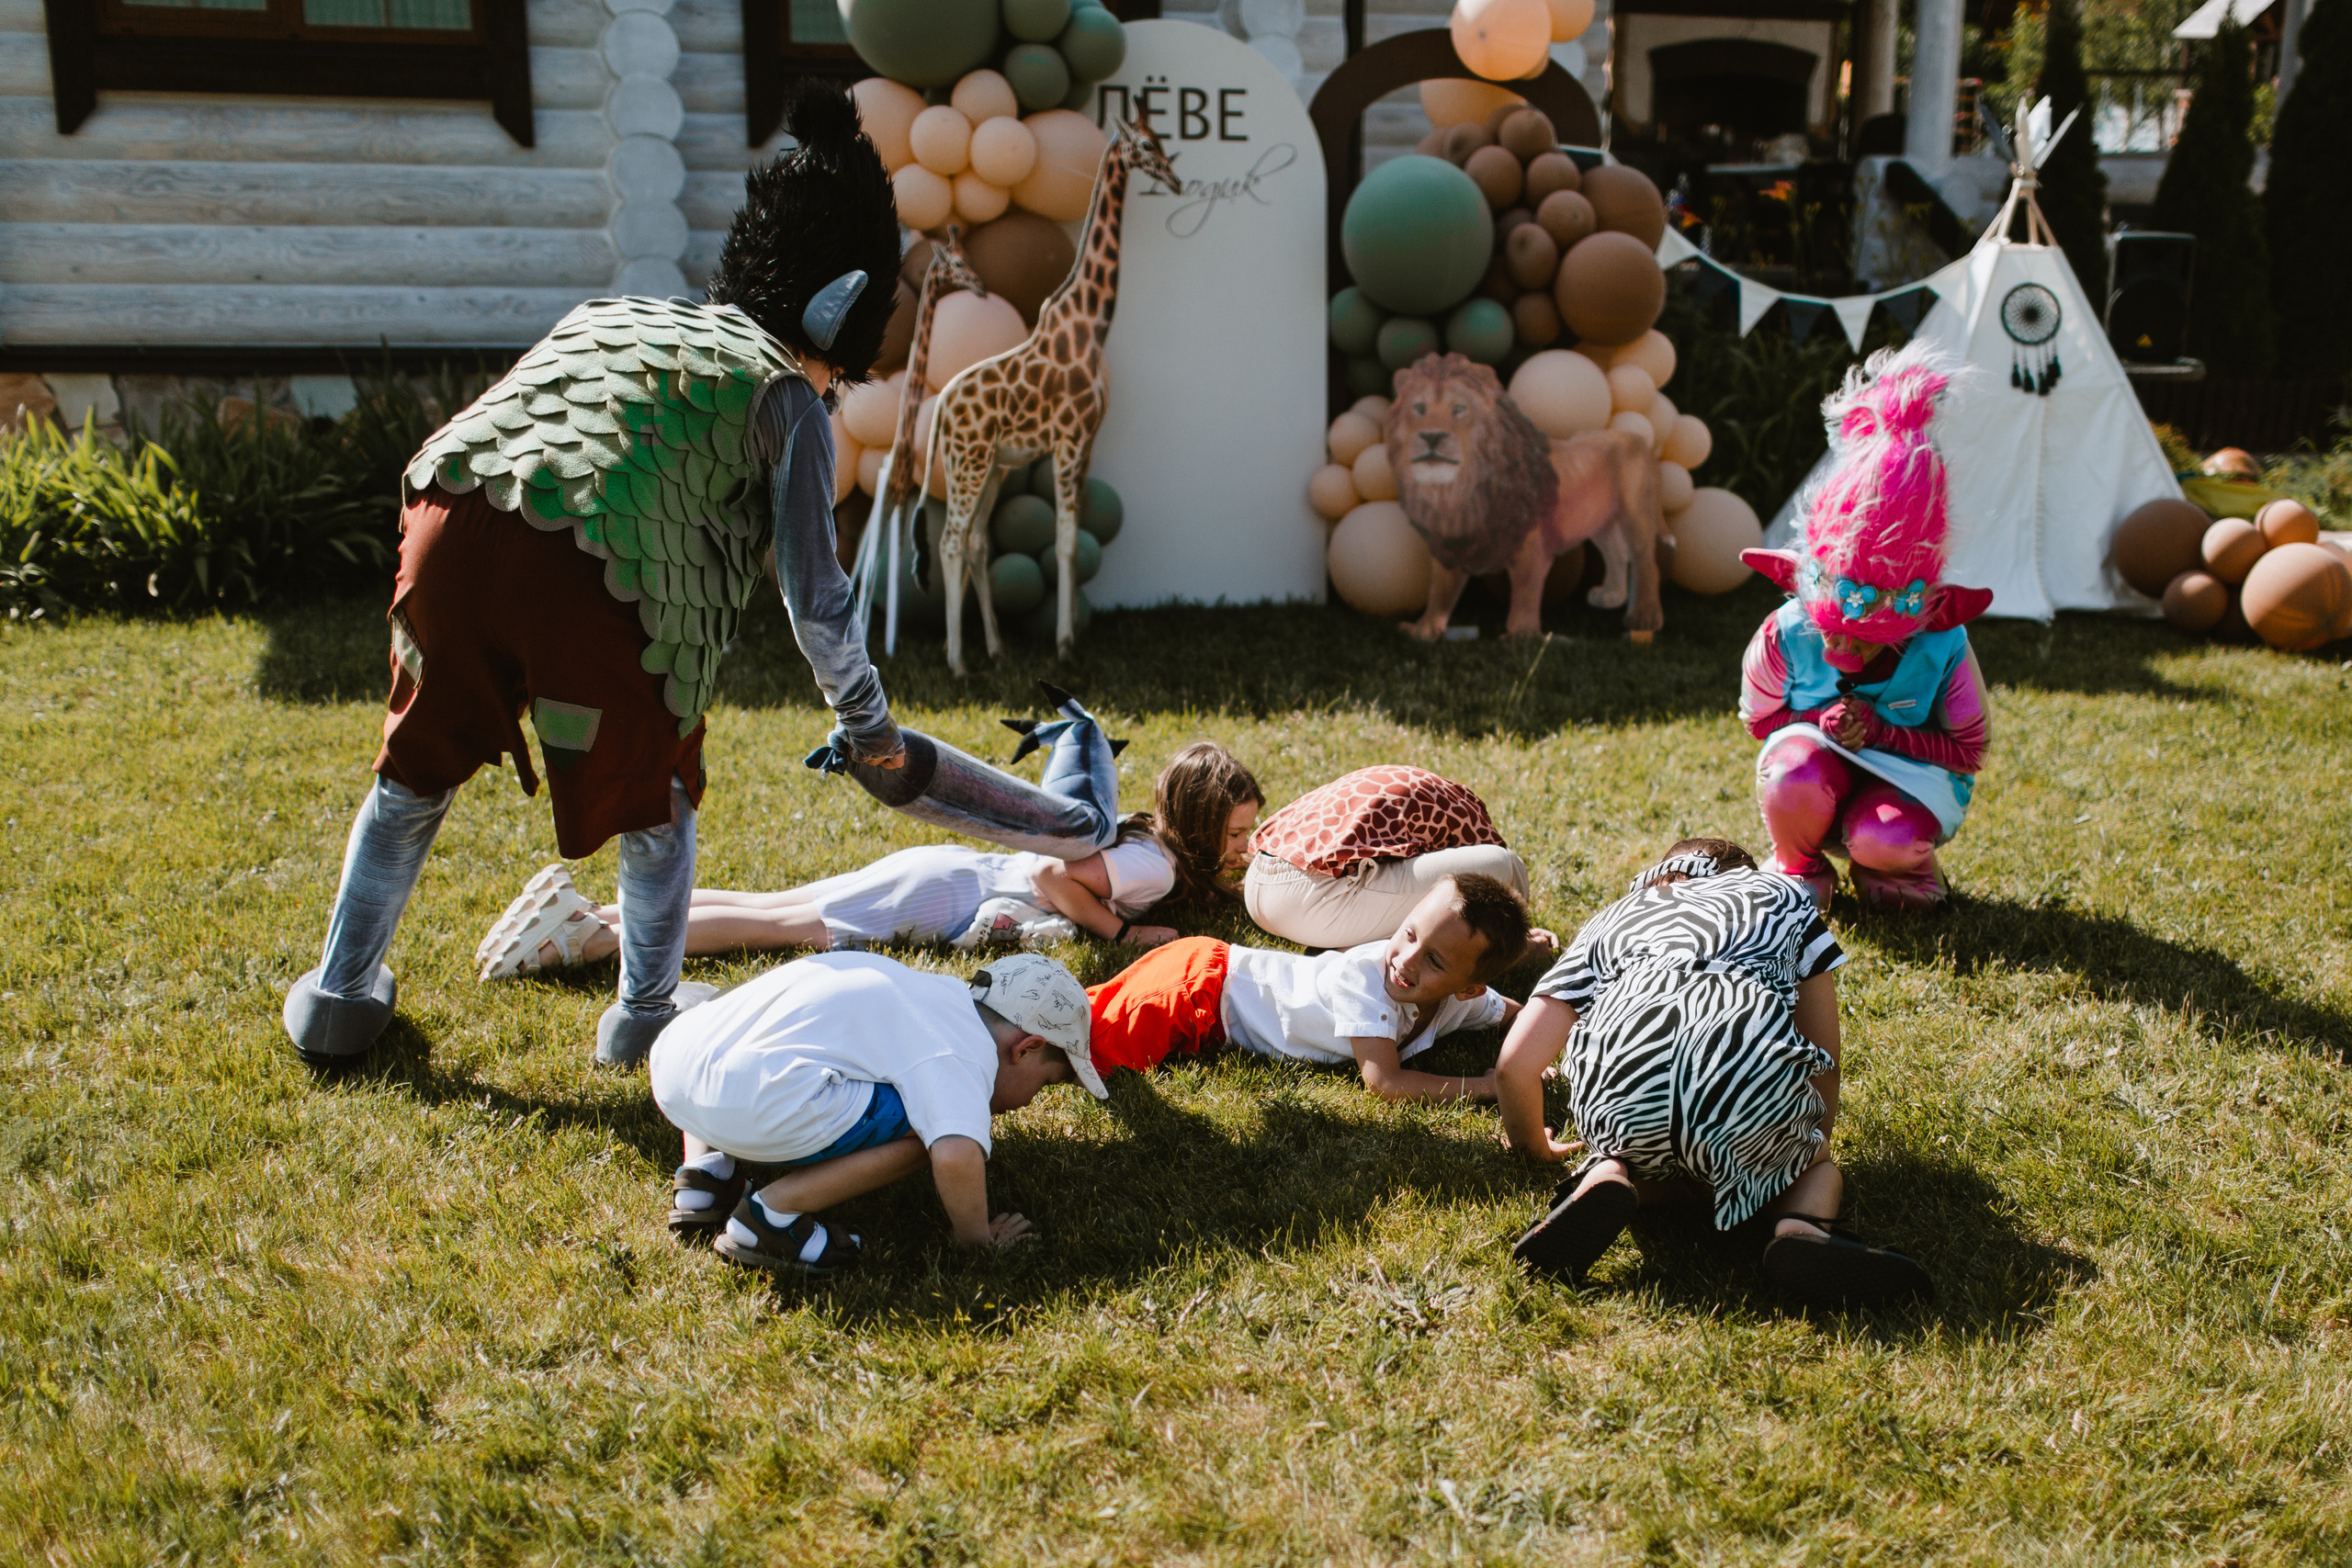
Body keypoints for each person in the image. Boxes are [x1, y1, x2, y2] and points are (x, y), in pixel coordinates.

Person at [280, 83, 908, 1069]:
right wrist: (869, 725)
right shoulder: (788, 397)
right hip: (593, 576)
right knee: (656, 794)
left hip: (446, 517)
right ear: (841, 314)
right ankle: (648, 1014)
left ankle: (338, 995)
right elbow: (814, 594)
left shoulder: (614, 314)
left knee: (414, 774)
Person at [1493, 838, 1931, 1309]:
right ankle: (1801, 1226)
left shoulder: (1614, 917)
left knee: (1633, 1142)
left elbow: (1514, 1066)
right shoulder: (1785, 899)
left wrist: (1532, 1147)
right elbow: (1822, 1052)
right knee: (1814, 1165)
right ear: (1745, 876)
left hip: (1627, 1101)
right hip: (1744, 1095)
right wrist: (1809, 1142)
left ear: (1660, 878)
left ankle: (1609, 1173)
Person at [475, 731, 1261, 971]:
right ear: (1193, 826)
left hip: (944, 878)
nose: (1240, 847)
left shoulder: (1154, 847)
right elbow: (1057, 874)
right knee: (775, 928)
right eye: (1232, 834)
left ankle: (597, 912)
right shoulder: (1153, 865)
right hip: (944, 895)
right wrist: (1123, 933)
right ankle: (596, 938)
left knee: (769, 908)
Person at [1737, 342, 1994, 910]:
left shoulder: (1941, 643)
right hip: (1814, 768)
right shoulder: (1786, 631)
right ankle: (1800, 867)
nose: (1838, 645)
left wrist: (1883, 734)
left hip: (1913, 779)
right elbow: (1759, 720)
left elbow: (1969, 750)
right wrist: (1815, 720)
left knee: (1884, 837)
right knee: (1791, 776)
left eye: (1864, 636)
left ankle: (1900, 870)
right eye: (1829, 627)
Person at [651, 951, 1101, 1273]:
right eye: (1045, 1085)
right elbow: (955, 1155)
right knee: (935, 1128)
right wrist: (976, 1240)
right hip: (755, 1107)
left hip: (676, 1066)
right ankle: (771, 1217)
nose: (1032, 1101)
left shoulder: (922, 988)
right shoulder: (967, 1051)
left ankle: (704, 1177)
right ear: (1028, 1048)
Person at [1080, 874, 1532, 1104]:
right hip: (1204, 985)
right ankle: (1015, 1030)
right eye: (1409, 934)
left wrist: (1553, 1046)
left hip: (1210, 1008)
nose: (1406, 960)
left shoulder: (1461, 1002)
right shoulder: (1367, 978)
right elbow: (1385, 1082)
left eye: (1434, 960)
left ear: (1468, 988)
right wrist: (1485, 1086)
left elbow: (1512, 1013)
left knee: (1089, 1024)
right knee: (1086, 1042)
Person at [1242, 764, 1550, 953]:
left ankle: (1351, 948)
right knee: (1504, 863)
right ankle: (1514, 945)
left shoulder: (1420, 788)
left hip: (1260, 881)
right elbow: (1490, 875)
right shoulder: (1466, 818)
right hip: (1309, 900)